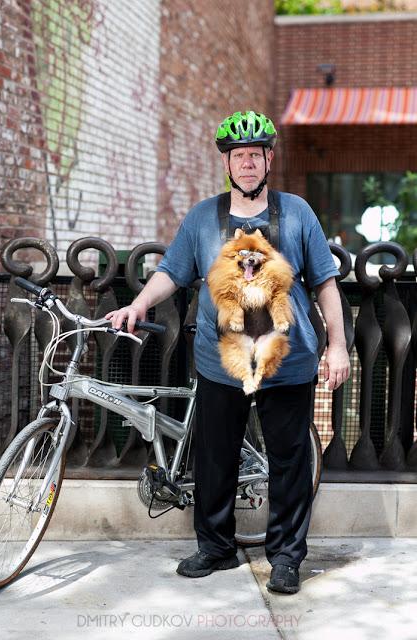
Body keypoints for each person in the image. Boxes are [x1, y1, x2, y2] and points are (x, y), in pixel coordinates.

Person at [106, 110, 350, 594]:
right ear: (228, 163)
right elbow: (172, 273)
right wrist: (137, 303)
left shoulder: (297, 212)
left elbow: (325, 283)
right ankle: (215, 548)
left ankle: (285, 558)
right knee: (215, 458)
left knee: (288, 462)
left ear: (268, 160)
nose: (247, 164)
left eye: (255, 156)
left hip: (289, 361)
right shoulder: (202, 217)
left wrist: (338, 345)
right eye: (238, 156)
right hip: (221, 363)